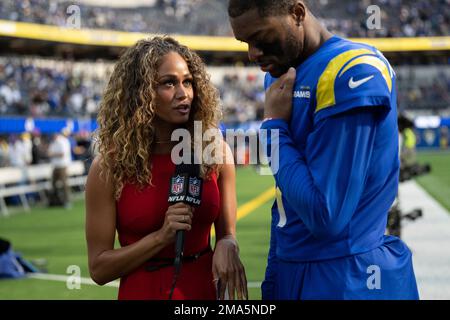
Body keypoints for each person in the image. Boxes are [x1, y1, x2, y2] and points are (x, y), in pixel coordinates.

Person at [228, 0, 419, 299]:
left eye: (261, 38)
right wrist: (274, 276)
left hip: (349, 276)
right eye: (245, 42)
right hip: (292, 267)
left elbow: (326, 215)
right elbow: (287, 201)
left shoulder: (353, 70)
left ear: (297, 13)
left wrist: (273, 127)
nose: (253, 53)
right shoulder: (282, 71)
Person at [85, 36, 248, 300]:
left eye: (188, 82)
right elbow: (99, 268)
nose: (183, 94)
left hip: (204, 292)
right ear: (140, 92)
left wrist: (228, 243)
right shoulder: (108, 167)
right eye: (168, 83)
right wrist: (161, 237)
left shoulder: (215, 153)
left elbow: (228, 233)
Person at [48, 129, 72, 208]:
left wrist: (53, 154)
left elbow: (62, 154)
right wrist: (53, 154)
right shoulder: (54, 142)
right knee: (53, 185)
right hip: (56, 165)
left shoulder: (63, 141)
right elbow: (49, 153)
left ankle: (67, 201)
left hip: (62, 165)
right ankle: (55, 202)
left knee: (64, 184)